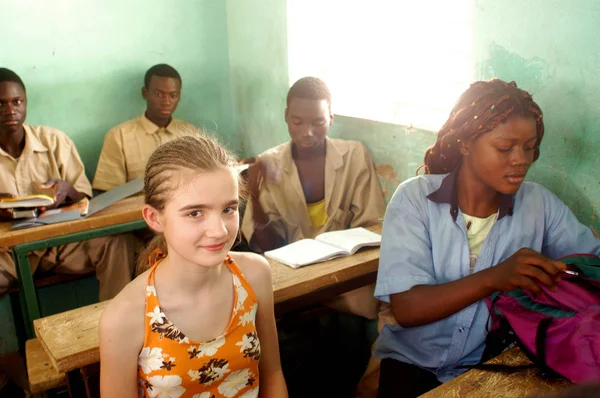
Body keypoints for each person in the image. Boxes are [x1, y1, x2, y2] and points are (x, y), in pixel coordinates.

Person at [374, 78, 600, 397]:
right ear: (466, 143)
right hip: (413, 364)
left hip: (493, 364)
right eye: (505, 148)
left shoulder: (539, 205)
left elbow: (592, 263)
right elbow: (408, 309)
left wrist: (566, 273)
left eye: (530, 146)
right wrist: (495, 277)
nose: (521, 159)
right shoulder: (414, 200)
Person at [99, 135, 288, 397]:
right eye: (195, 213)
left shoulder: (253, 275)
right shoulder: (125, 316)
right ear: (154, 218)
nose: (219, 230)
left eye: (229, 209)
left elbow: (273, 373)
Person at [242, 76, 386, 319]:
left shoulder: (354, 155)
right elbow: (267, 246)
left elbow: (370, 226)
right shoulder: (268, 163)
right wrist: (254, 195)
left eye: (318, 122)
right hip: (293, 274)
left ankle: (313, 301)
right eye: (297, 122)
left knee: (369, 305)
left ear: (331, 118)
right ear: (286, 116)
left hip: (344, 271)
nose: (307, 132)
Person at [0, 67, 136, 301]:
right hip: (7, 254)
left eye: (17, 101)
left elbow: (87, 201)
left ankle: (115, 328)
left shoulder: (54, 140)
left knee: (117, 244)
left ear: (26, 102)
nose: (10, 110)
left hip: (61, 244)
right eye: (1, 104)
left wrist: (68, 191)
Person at [93, 64, 201, 191]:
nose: (166, 102)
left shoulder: (192, 134)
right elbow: (107, 192)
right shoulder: (119, 136)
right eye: (158, 94)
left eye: (173, 95)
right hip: (136, 210)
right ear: (145, 93)